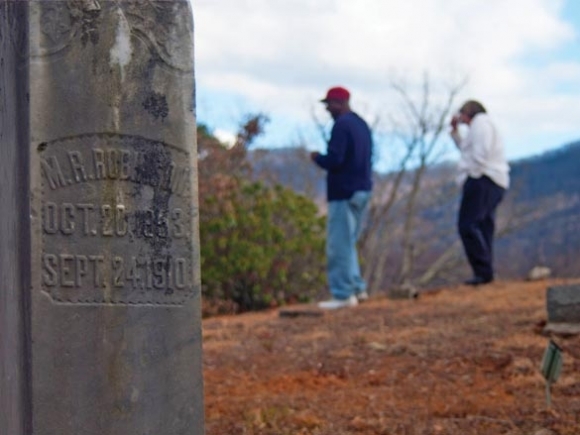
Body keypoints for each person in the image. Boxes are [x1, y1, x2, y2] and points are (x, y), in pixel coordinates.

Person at [311, 86, 373, 309]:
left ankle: (343, 295)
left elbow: (335, 160)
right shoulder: (361, 125)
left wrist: (318, 158)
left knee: (339, 245)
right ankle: (357, 288)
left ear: (339, 103)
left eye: (329, 105)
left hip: (343, 192)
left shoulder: (342, 126)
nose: (327, 109)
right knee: (349, 243)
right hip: (362, 189)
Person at [450, 100, 510, 286]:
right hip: (491, 180)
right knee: (483, 226)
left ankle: (483, 271)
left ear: (468, 113)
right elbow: (467, 149)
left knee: (468, 225)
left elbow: (479, 155)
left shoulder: (480, 125)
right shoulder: (481, 126)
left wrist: (472, 176)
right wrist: (455, 133)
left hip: (483, 179)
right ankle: (485, 272)